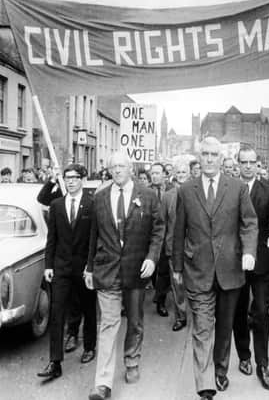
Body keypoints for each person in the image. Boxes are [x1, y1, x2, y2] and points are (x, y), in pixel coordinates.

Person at [173, 136, 258, 400]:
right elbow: (179, 231)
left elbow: (249, 223)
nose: (209, 159)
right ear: (199, 157)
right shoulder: (186, 190)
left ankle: (220, 369)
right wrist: (177, 266)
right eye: (205, 154)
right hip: (198, 270)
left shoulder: (237, 188)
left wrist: (249, 252)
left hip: (230, 269)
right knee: (202, 327)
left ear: (221, 159)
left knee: (224, 326)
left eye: (214, 155)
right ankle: (205, 384)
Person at [85, 152, 164, 400]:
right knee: (108, 324)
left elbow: (158, 231)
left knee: (135, 320)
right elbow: (93, 236)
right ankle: (102, 383)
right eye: (113, 167)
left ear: (131, 169)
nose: (117, 170)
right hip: (107, 269)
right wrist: (89, 268)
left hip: (136, 269)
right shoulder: (99, 198)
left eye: (121, 166)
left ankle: (131, 361)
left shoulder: (148, 196)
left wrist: (152, 258)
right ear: (108, 171)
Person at [37, 164, 97, 381]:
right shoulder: (57, 205)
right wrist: (48, 266)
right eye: (67, 178)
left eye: (74, 178)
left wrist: (90, 267)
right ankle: (55, 362)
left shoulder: (92, 205)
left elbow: (94, 240)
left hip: (83, 269)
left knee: (89, 308)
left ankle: (89, 346)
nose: (70, 181)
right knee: (56, 312)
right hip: (61, 267)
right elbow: (51, 238)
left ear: (82, 179)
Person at [232, 146, 269, 390]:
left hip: (261, 262)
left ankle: (263, 363)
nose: (248, 166)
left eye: (252, 162)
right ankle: (244, 355)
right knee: (238, 312)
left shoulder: (268, 191)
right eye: (243, 162)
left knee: (261, 312)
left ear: (258, 164)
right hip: (235, 262)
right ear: (237, 164)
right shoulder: (229, 189)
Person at [161, 160, 189, 331]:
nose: (181, 176)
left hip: (194, 247)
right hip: (173, 248)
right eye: (178, 173)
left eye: (184, 172)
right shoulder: (168, 197)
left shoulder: (196, 193)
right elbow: (162, 223)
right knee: (177, 284)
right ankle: (181, 315)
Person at [150, 162, 173, 317]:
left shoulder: (172, 190)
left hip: (166, 235)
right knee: (151, 268)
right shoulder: (145, 191)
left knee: (163, 270)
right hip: (150, 236)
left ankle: (160, 301)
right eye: (152, 173)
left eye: (157, 173)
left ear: (165, 174)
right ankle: (156, 289)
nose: (154, 176)